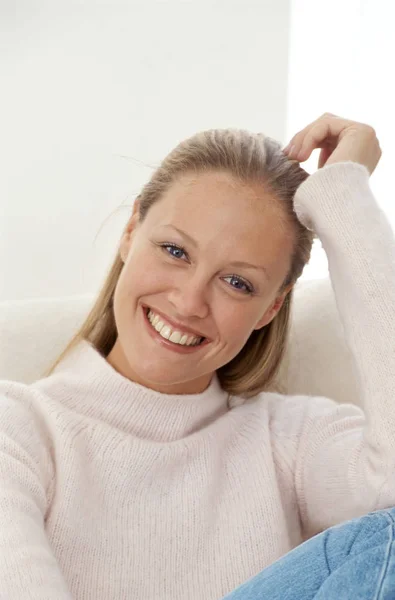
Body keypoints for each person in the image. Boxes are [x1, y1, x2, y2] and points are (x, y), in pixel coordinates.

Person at [0, 112, 394, 600]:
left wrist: (343, 198)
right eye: (174, 250)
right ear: (130, 231)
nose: (188, 303)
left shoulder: (287, 441)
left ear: (271, 305)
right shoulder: (17, 429)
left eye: (237, 282)